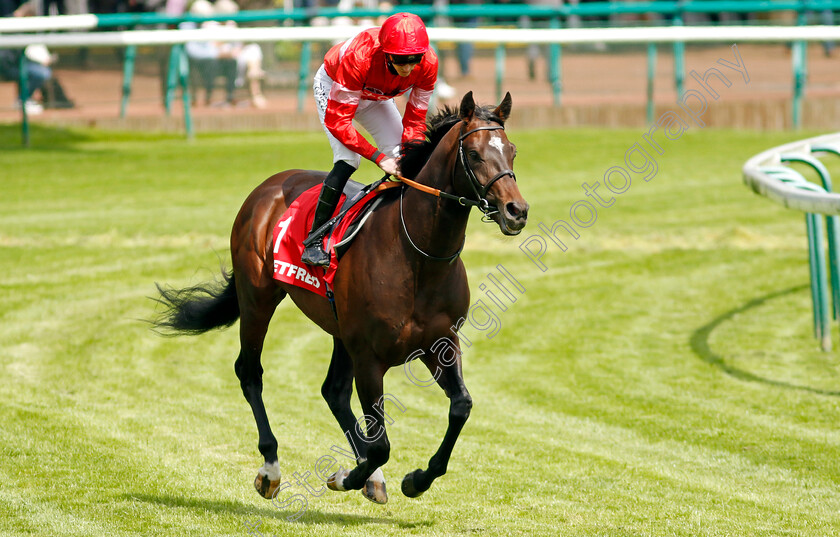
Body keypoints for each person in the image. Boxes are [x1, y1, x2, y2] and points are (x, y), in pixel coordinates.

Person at [302, 12, 438, 267]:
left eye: (414, 60)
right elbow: (339, 122)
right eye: (400, 60)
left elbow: (415, 121)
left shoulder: (429, 63)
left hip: (375, 97)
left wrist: (408, 153)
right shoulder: (361, 55)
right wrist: (378, 157)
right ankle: (314, 241)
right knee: (348, 160)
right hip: (335, 86)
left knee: (405, 157)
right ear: (386, 52)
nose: (408, 68)